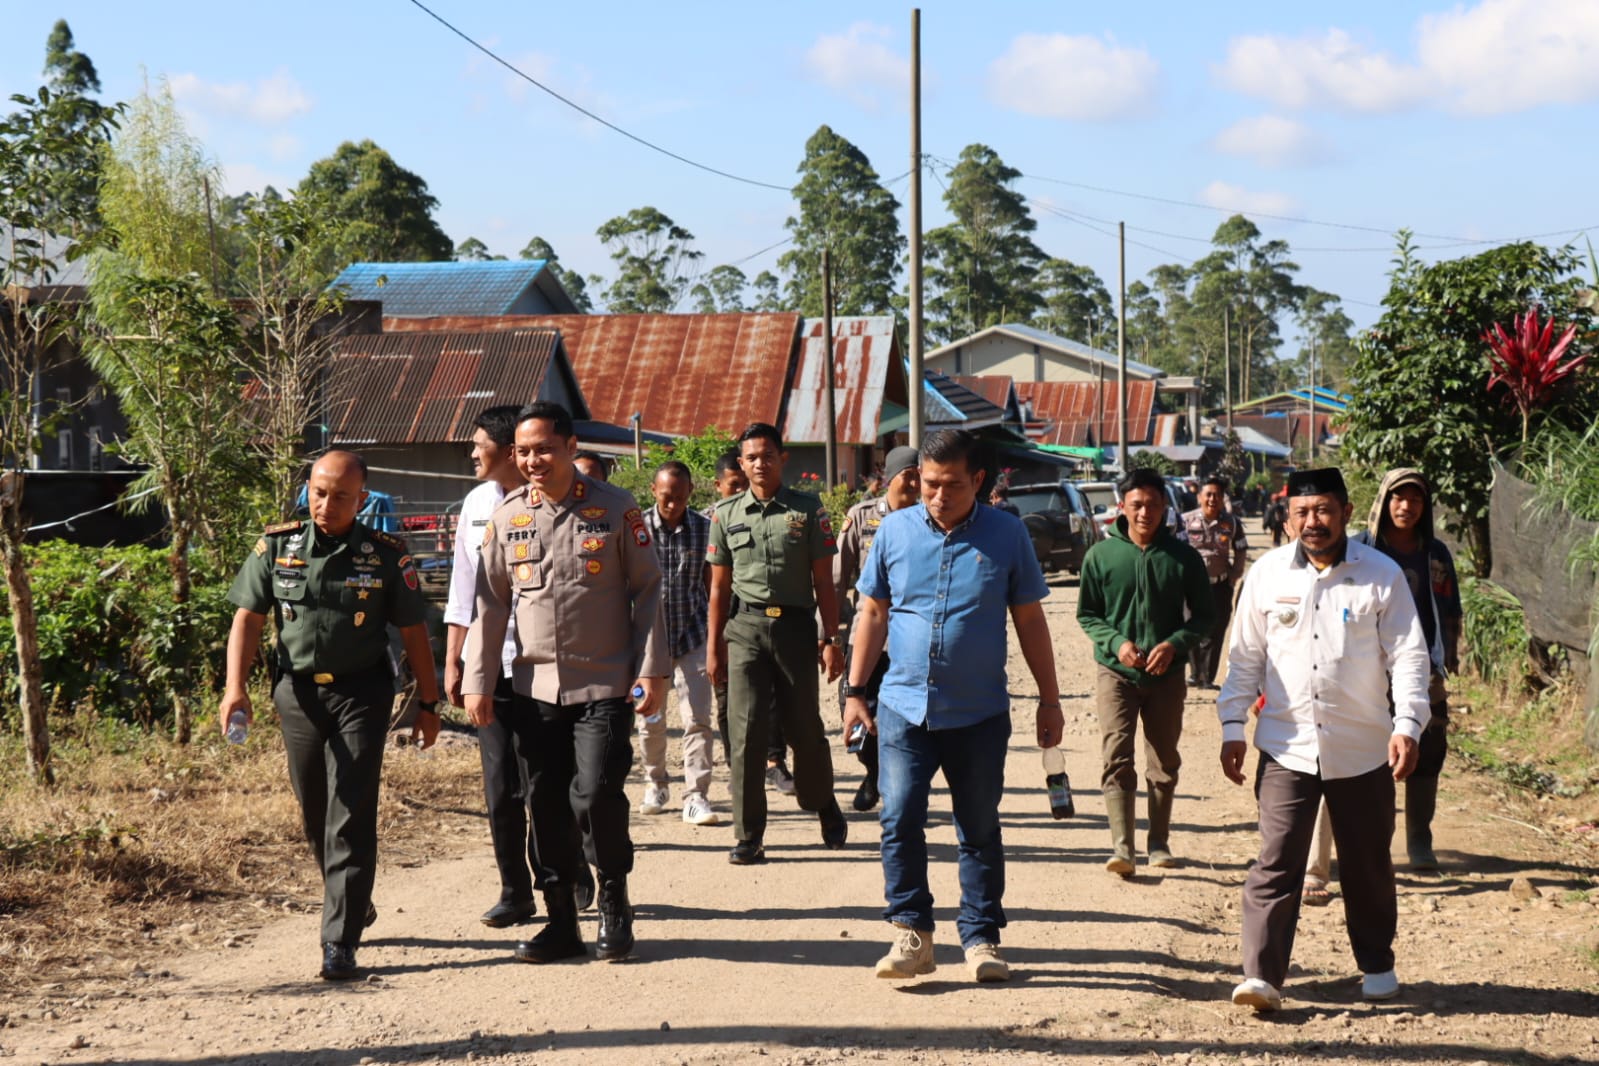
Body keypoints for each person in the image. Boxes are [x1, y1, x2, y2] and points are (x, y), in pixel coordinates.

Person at [846, 429, 1063, 983]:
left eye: (953, 485)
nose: (939, 496)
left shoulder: (1007, 535)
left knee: (979, 827)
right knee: (899, 817)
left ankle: (982, 938)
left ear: (979, 481)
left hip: (980, 712)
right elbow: (872, 612)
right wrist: (853, 691)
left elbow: (1031, 620)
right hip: (902, 706)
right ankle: (912, 933)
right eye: (929, 484)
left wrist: (1050, 698)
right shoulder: (893, 531)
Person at [220, 450, 441, 981]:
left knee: (351, 807)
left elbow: (414, 634)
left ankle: (338, 940)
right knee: (314, 807)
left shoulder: (385, 554)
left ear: (361, 499)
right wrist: (235, 689)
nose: (327, 504)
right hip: (296, 694)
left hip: (362, 694)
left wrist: (429, 705)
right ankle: (353, 897)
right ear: (308, 490)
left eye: (341, 495)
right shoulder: (278, 546)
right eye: (319, 492)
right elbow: (247, 619)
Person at [461, 401, 669, 964]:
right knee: (546, 804)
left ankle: (613, 901)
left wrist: (652, 670)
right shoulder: (508, 517)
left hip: (603, 684)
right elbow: (489, 605)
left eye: (543, 449)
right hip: (534, 688)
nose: (532, 460)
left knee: (595, 793)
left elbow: (648, 590)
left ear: (571, 448)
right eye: (523, 451)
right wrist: (477, 678)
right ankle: (560, 922)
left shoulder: (616, 508)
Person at [1218, 467, 1431, 1011]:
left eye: (1323, 511)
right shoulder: (1266, 577)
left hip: (1363, 748)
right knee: (1277, 860)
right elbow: (1244, 658)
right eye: (1302, 513)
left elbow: (1409, 656)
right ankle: (1263, 976)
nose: (1312, 522)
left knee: (1367, 863)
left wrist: (1408, 724)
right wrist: (1232, 724)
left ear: (1346, 512)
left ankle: (1377, 965)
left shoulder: (1381, 575)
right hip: (1287, 746)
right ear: (1287, 517)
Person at [707, 422, 847, 865]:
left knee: (804, 728)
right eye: (751, 457)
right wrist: (714, 649)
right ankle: (749, 835)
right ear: (741, 463)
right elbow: (718, 590)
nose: (759, 464)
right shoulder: (725, 514)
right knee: (745, 733)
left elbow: (824, 581)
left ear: (781, 459)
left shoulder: (808, 510)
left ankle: (822, 801)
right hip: (745, 631)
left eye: (767, 455)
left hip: (794, 630)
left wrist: (832, 638)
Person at [1076, 467, 1215, 876]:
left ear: (1164, 508)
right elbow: (1088, 614)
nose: (1144, 513)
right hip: (1115, 673)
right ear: (1122, 505)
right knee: (1116, 754)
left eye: (1153, 505)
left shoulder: (1183, 557)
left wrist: (1174, 645)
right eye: (1136, 504)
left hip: (1166, 676)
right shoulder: (1100, 556)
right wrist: (1116, 643)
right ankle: (1123, 846)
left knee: (1164, 757)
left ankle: (1158, 841)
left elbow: (1205, 617)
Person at [444, 406, 539, 928]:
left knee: (548, 780)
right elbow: (463, 591)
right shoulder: (475, 503)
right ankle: (514, 890)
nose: (472, 452)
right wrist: (453, 660)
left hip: (546, 665)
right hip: (489, 665)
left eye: (478, 443)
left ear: (506, 450)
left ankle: (565, 876)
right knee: (500, 785)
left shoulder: (544, 497)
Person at [1353, 468, 1461, 870]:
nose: (1406, 506)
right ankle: (1373, 840)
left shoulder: (1435, 554)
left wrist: (1448, 656)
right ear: (1383, 501)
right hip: (1367, 666)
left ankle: (1419, 839)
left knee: (1427, 746)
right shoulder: (1361, 550)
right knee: (1369, 752)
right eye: (1399, 497)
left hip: (1422, 667)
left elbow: (1450, 608)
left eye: (1415, 499)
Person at [833, 446, 920, 812]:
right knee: (851, 706)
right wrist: (830, 635)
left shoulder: (927, 519)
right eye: (908, 474)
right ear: (890, 477)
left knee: (903, 716)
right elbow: (838, 579)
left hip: (908, 638)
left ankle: (896, 788)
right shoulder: (862, 516)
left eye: (919, 474)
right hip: (865, 635)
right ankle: (873, 770)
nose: (915, 482)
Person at [638, 459, 721, 826]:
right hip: (648, 643)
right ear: (654, 492)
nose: (672, 504)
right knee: (650, 718)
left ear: (690, 494)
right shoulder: (637, 529)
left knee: (698, 719)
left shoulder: (705, 529)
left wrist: (718, 639)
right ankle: (655, 782)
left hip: (694, 636)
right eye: (665, 496)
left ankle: (696, 795)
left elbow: (711, 584)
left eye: (680, 497)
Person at [705, 450, 794, 792]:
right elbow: (712, 585)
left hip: (757, 620)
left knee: (771, 693)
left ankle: (774, 760)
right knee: (728, 700)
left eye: (744, 484)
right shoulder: (709, 523)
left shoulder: (763, 515)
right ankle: (737, 765)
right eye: (734, 485)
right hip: (723, 623)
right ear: (719, 486)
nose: (741, 490)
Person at [1178, 476, 1249, 690]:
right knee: (1190, 627)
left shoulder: (1232, 523)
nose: (1212, 499)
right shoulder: (1185, 521)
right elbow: (1173, 548)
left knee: (1216, 630)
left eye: (1216, 495)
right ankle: (1194, 673)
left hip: (1220, 585)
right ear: (1199, 497)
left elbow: (1241, 548)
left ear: (1222, 498)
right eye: (1208, 494)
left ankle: (1207, 677)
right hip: (1191, 586)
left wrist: (1235, 575)